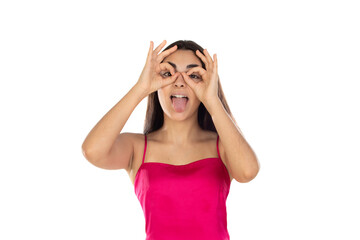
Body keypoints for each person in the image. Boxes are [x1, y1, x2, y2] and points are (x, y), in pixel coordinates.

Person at [81, 40, 260, 240]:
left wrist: (212, 100)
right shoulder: (138, 148)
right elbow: (92, 151)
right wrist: (141, 88)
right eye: (168, 73)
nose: (180, 82)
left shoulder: (223, 146)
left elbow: (248, 171)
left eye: (193, 76)